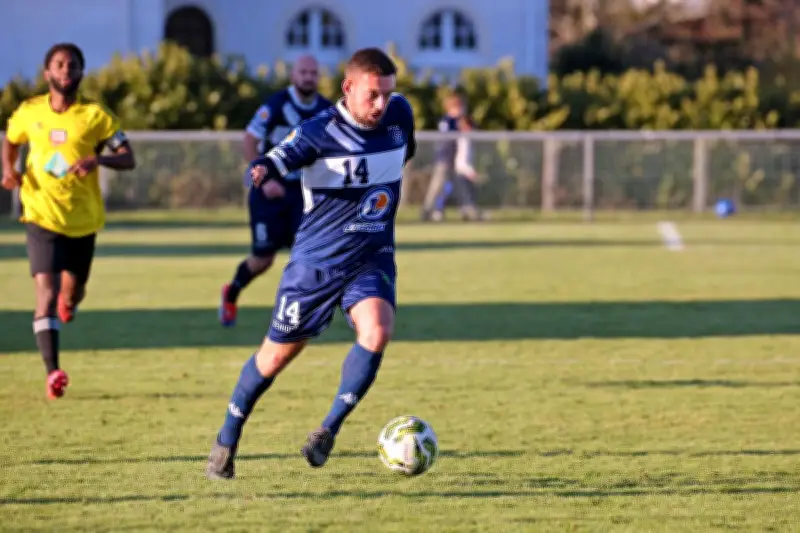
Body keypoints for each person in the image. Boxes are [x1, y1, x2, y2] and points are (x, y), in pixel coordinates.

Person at [206, 47, 416, 479]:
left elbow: (400, 155)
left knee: (378, 330)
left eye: (387, 93)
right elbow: (278, 156)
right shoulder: (319, 131)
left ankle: (327, 431)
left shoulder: (400, 115)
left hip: (370, 256)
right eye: (373, 95)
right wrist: (261, 169)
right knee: (273, 359)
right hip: (315, 265)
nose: (382, 104)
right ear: (348, 88)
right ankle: (227, 437)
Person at [1, 43, 136, 399]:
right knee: (45, 293)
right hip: (40, 214)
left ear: (80, 72)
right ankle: (53, 372)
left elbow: (128, 157)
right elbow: (11, 140)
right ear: (47, 72)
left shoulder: (96, 116)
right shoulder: (29, 111)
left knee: (72, 292)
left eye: (72, 65)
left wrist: (98, 161)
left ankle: (70, 301)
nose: (65, 70)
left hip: (82, 221)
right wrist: (8, 169)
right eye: (59, 64)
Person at [219, 54, 332, 327]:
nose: (308, 77)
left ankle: (301, 314)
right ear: (293, 75)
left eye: (313, 73)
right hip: (268, 193)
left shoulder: (327, 110)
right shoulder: (276, 105)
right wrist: (264, 178)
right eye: (303, 72)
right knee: (263, 259)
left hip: (302, 193)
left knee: (308, 255)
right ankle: (231, 293)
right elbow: (250, 139)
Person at [421, 93, 481, 222]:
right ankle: (428, 211)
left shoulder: (462, 120)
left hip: (458, 161)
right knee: (438, 186)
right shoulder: (447, 121)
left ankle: (468, 211)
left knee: (462, 187)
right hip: (445, 160)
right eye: (460, 107)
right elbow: (447, 137)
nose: (462, 109)